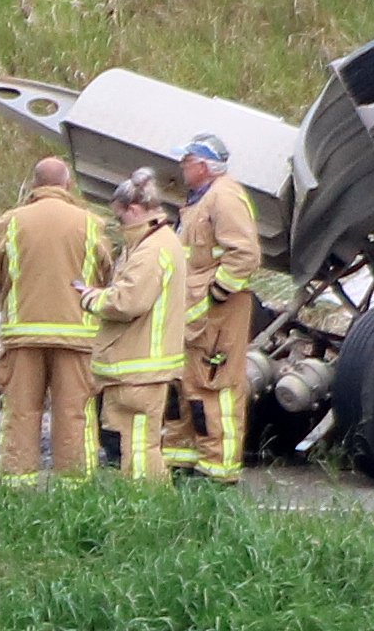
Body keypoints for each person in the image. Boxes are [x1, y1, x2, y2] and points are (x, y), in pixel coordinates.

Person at [0, 155, 107, 483]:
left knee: (21, 412)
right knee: (74, 413)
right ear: (67, 185)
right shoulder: (90, 223)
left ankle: (16, 485)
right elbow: (104, 271)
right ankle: (75, 487)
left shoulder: (11, 222)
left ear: (35, 185)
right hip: (75, 334)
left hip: (23, 333)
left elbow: (0, 273)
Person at [170, 134, 263, 484]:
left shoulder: (224, 197)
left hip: (218, 315)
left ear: (204, 165)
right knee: (189, 385)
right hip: (197, 314)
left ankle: (218, 472)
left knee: (215, 386)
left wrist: (216, 294)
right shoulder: (201, 200)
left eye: (187, 159)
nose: (181, 165)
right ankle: (186, 462)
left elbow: (244, 254)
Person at [89, 170, 187, 479]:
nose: (119, 227)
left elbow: (127, 302)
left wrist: (91, 299)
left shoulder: (152, 249)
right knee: (138, 444)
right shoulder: (155, 243)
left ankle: (146, 507)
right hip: (141, 366)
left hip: (139, 367)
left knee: (139, 446)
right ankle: (144, 503)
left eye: (119, 219)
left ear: (133, 210)